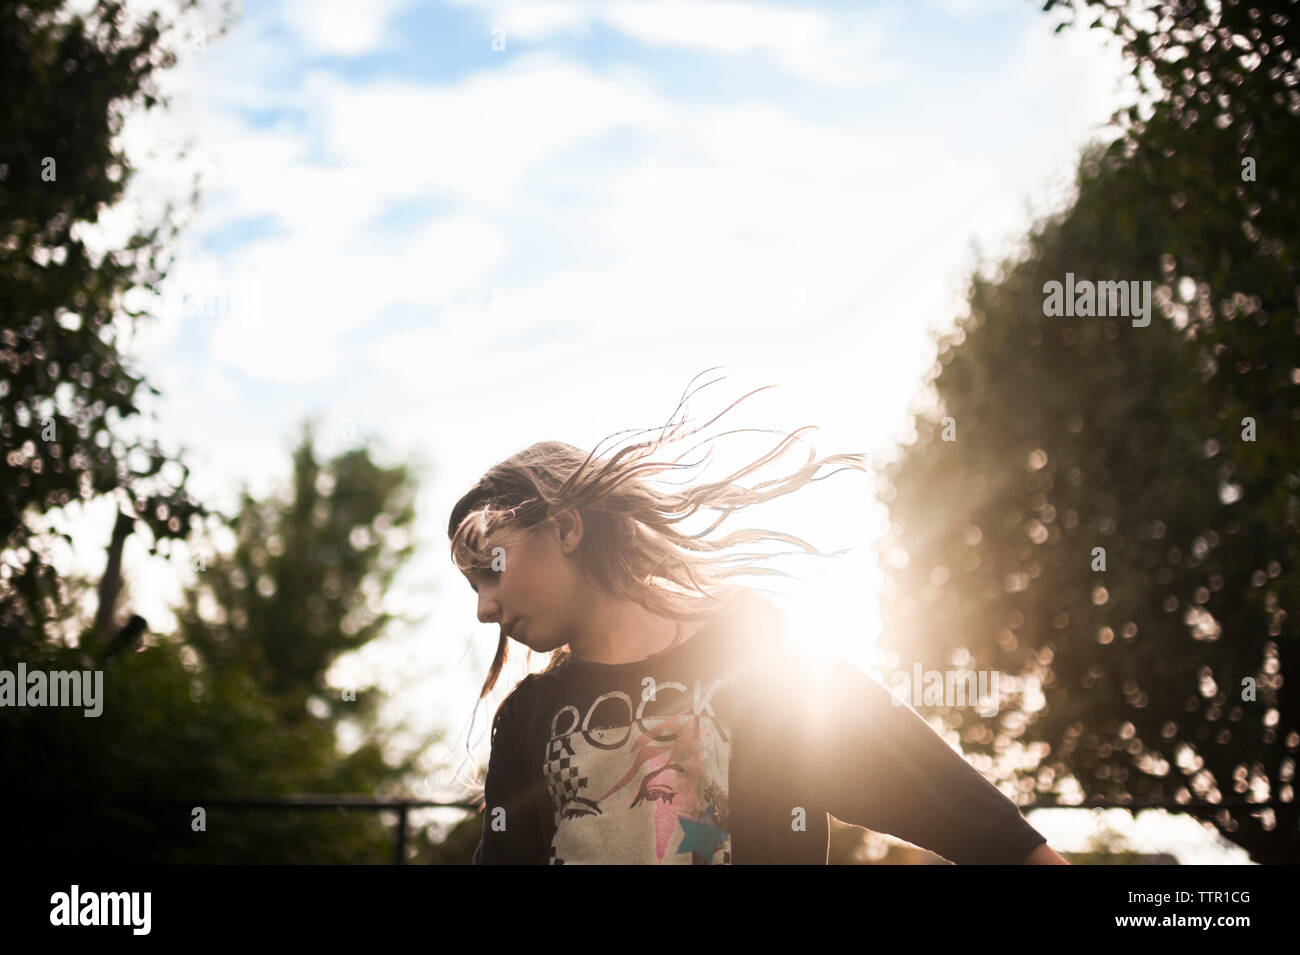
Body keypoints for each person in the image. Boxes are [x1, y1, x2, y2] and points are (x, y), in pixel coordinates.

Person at [447, 383, 1069, 865]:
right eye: (474, 589)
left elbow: (921, 782)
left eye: (491, 572)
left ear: (565, 528)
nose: (484, 609)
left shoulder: (759, 653)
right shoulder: (527, 719)